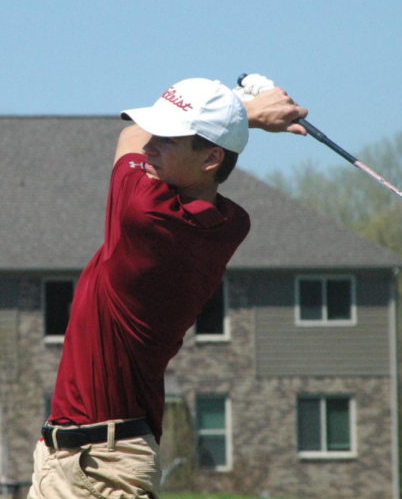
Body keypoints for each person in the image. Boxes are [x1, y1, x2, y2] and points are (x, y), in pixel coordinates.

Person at [28, 75, 308, 499]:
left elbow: (128, 134)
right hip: (67, 457)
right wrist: (231, 118)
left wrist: (245, 111)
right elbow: (146, 138)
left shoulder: (144, 210)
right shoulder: (231, 223)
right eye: (156, 134)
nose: (149, 146)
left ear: (212, 157)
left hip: (105, 466)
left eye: (169, 139)